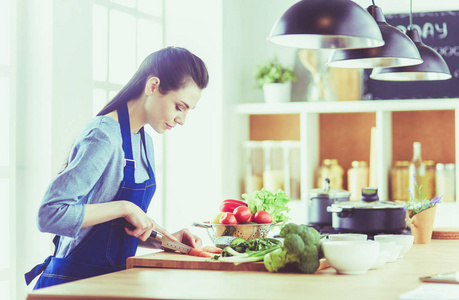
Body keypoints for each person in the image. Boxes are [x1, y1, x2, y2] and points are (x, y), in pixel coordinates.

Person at [25, 46, 209, 289]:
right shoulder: (104, 135)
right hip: (73, 285)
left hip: (112, 283)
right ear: (153, 86)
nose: (182, 120)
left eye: (187, 111)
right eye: (179, 107)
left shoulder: (144, 142)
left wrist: (167, 240)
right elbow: (49, 215)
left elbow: (116, 228)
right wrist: (124, 207)